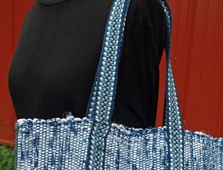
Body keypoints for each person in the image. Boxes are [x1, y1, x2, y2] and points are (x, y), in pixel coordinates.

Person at [8, 0, 167, 128]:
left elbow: (136, 117)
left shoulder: (131, 7)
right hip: (34, 166)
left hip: (109, 164)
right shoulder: (38, 9)